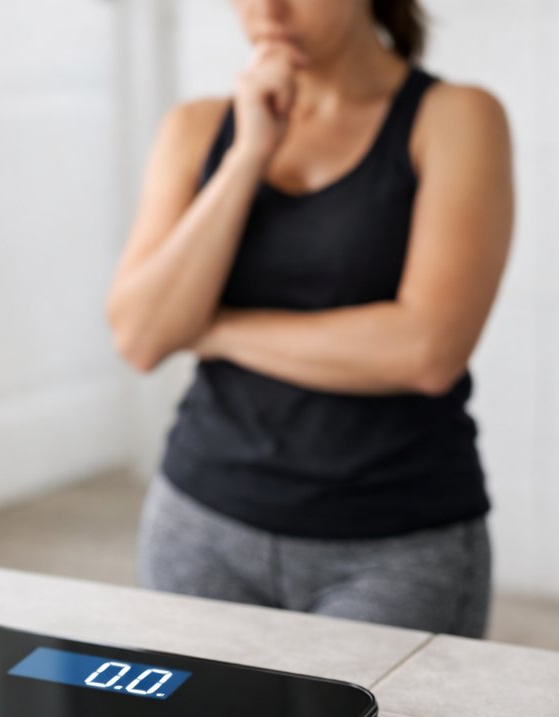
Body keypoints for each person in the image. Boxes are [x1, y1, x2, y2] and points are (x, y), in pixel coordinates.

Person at [106, 0, 512, 638]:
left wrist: (214, 327)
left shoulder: (457, 118)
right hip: (200, 522)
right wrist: (246, 156)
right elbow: (141, 336)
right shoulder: (197, 128)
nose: (267, 10)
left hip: (394, 546)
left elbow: (427, 351)